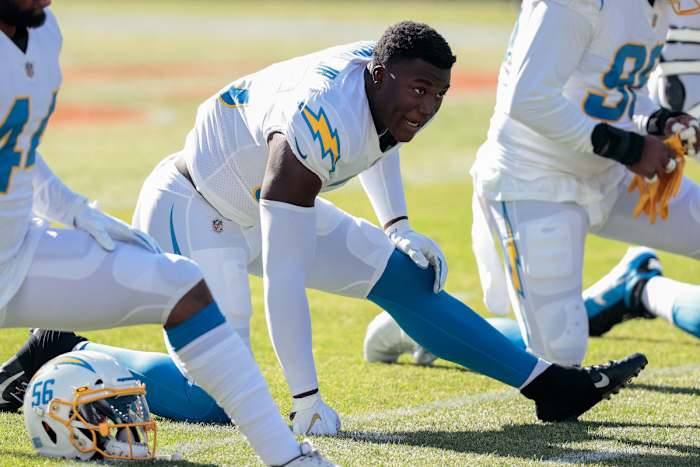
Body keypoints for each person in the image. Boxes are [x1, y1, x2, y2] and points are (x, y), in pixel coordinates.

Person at [2, 21, 649, 433]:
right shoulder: (318, 118)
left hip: (261, 196)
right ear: (381, 72)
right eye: (418, 91)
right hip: (197, 208)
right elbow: (285, 274)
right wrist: (306, 396)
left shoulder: (381, 79)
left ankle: (547, 385)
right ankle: (70, 352)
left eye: (437, 96)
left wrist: (396, 224)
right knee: (216, 395)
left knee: (404, 278)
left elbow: (377, 138)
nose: (424, 108)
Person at [0, 1, 333, 464]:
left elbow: (17, 146)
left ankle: (288, 458)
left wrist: (76, 211)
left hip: (16, 253)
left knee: (181, 284)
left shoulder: (41, 31)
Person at [466, 0, 700, 368]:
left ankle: (634, 288)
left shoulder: (653, 6)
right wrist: (629, 146)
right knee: (559, 356)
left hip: (611, 169)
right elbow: (527, 99)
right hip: (537, 178)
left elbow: (614, 88)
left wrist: (657, 121)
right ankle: (436, 329)